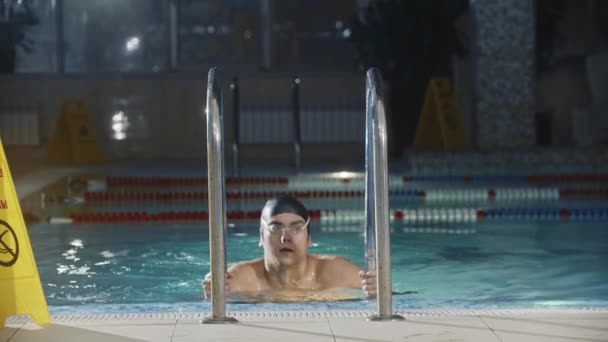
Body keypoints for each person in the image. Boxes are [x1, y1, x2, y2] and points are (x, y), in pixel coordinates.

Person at [203, 195, 377, 301]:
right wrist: (211, 294)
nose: (285, 237)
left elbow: (391, 298)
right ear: (261, 237)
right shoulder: (242, 279)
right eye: (275, 227)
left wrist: (376, 290)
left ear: (309, 238)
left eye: (296, 228)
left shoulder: (337, 273)